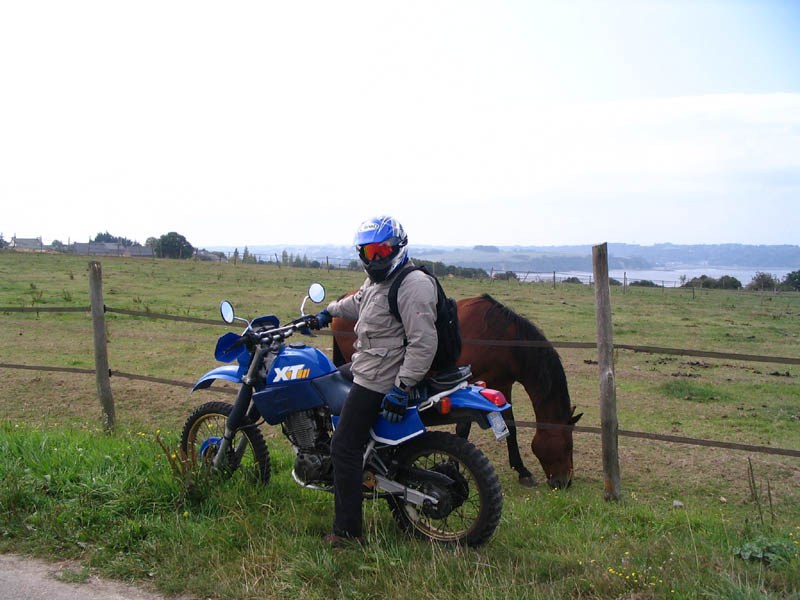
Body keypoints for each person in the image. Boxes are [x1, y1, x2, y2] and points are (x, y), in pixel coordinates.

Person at [311, 215, 438, 548]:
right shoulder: (381, 281)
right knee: (325, 384)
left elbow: (423, 342)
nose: (375, 258)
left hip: (381, 378)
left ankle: (348, 533)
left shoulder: (413, 284)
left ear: (397, 248)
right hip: (366, 365)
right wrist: (328, 312)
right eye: (368, 251)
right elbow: (359, 302)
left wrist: (402, 387)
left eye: (382, 250)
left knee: (344, 447)